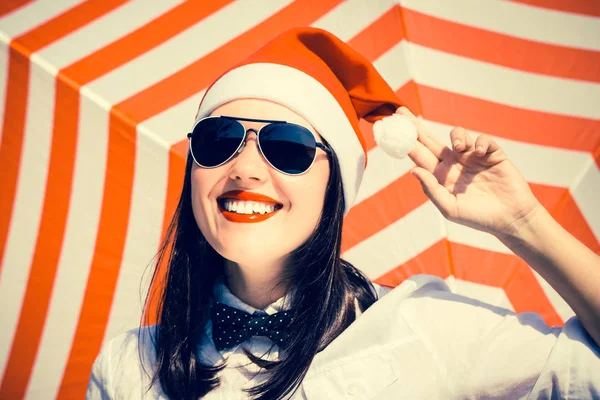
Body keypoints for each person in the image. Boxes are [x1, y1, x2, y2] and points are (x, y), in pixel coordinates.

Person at [86, 27, 600, 399]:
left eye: (286, 146)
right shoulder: (128, 367)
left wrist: (523, 223)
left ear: (336, 185)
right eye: (217, 140)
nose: (244, 168)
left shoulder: (421, 328)